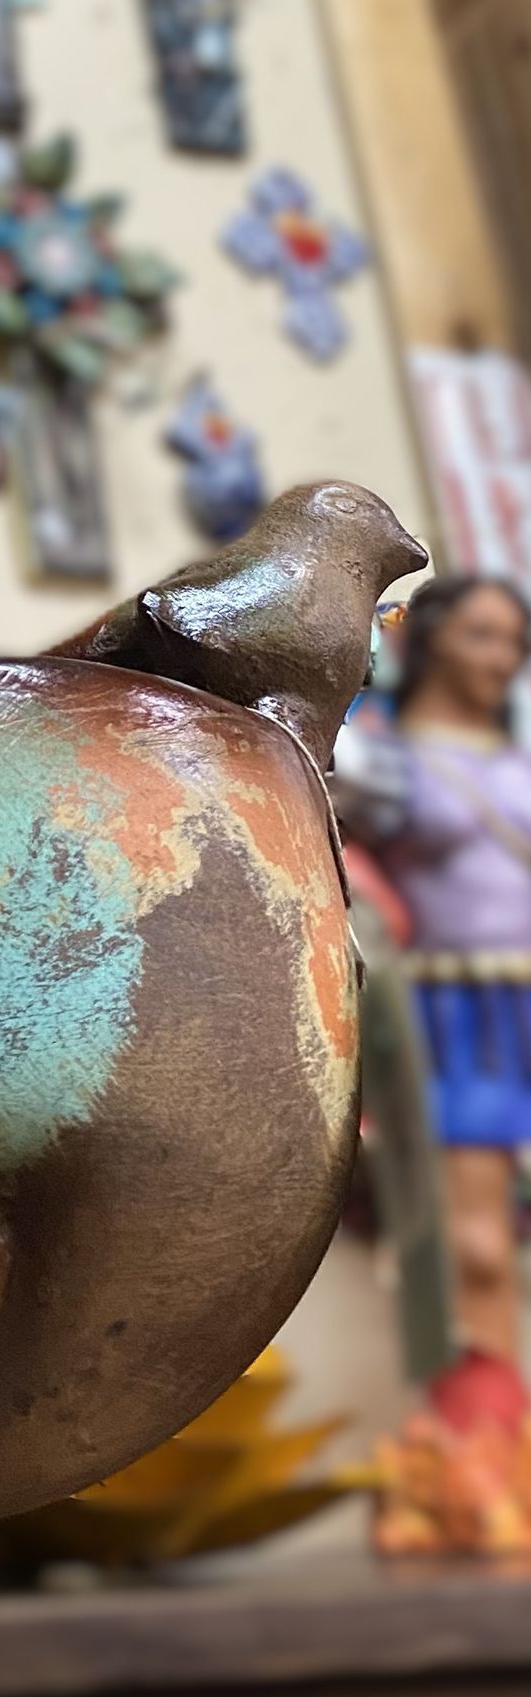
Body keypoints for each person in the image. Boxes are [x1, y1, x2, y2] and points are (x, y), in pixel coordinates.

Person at [337, 575, 531, 1536]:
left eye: (513, 636)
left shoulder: (521, 764)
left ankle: (494, 1445)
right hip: (459, 1014)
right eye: (481, 632)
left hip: (525, 1007)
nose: (499, 653)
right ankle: (473, 1441)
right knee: (469, 1248)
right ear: (437, 637)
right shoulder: (389, 762)